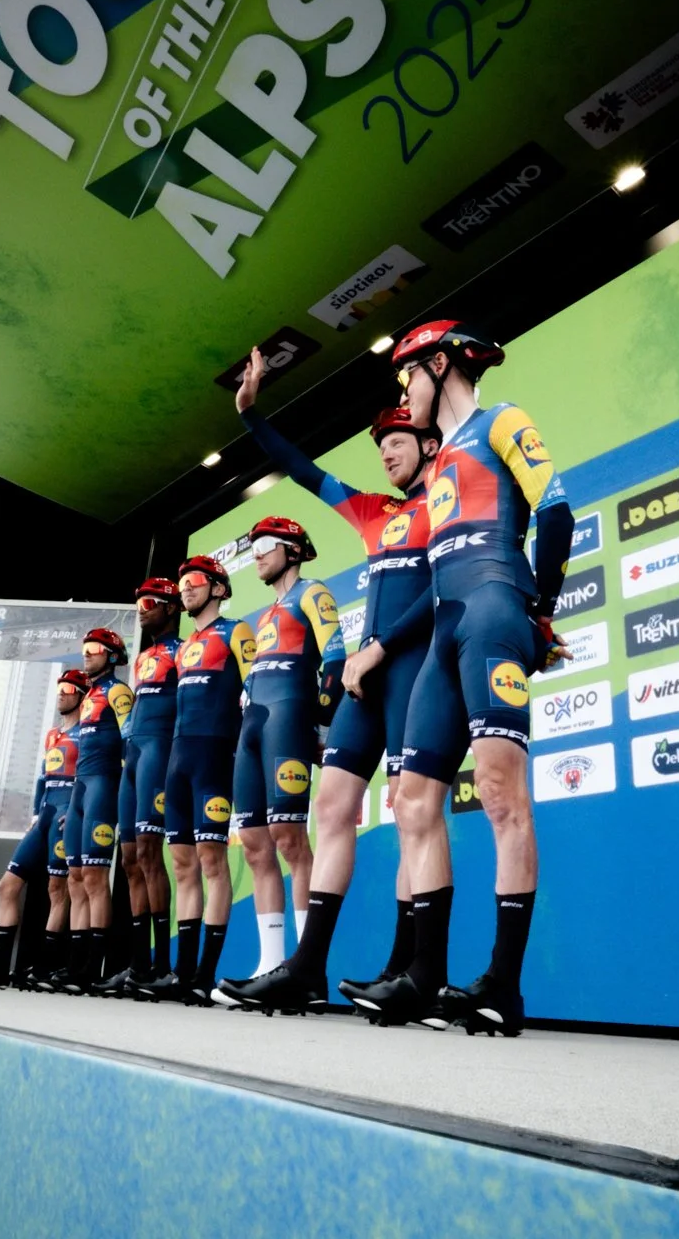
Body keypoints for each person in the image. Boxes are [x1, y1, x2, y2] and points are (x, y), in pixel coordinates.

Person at [356, 321, 573, 1037]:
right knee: (413, 801)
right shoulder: (440, 456)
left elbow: (556, 511)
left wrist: (538, 609)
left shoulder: (501, 420)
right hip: (445, 628)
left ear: (441, 365)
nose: (404, 391)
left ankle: (502, 986)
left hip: (491, 612)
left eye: (408, 375)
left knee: (503, 797)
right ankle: (424, 976)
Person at [218, 360, 440, 1013]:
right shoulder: (373, 511)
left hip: (411, 673)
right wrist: (251, 415)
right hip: (364, 685)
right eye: (380, 446)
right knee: (333, 807)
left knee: (412, 816)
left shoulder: (448, 500)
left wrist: (380, 647)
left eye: (396, 441)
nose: (386, 454)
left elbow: (443, 588)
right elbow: (304, 470)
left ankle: (403, 970)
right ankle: (306, 969)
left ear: (429, 443)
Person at [210, 513, 344, 1004]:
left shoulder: (312, 592)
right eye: (254, 547)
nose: (257, 554)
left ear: (293, 549)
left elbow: (336, 658)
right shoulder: (264, 616)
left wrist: (323, 725)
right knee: (253, 844)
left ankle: (308, 971)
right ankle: (270, 965)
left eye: (266, 544)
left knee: (289, 837)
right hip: (254, 726)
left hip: (290, 717)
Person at [134, 556, 255, 1004]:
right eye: (182, 582)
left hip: (215, 756)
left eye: (195, 580)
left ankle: (204, 975)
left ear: (219, 588)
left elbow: (255, 690)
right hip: (178, 760)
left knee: (211, 862)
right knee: (182, 865)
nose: (185, 587)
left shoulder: (236, 630)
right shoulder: (183, 647)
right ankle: (182, 974)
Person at [0, 668, 85, 989]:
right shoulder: (52, 734)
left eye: (68, 689)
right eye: (59, 689)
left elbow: (91, 775)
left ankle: (44, 969)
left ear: (81, 695)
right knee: (7, 886)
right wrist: (34, 813)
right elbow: (42, 778)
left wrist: (77, 809)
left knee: (57, 890)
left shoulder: (87, 731)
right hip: (45, 815)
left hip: (65, 813)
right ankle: (0, 967)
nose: (61, 694)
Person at [97, 578, 183, 995]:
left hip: (160, 751)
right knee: (129, 859)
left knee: (149, 852)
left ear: (171, 607)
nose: (142, 610)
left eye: (150, 603)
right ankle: (138, 965)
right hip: (133, 755)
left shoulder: (183, 649)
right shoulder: (145, 656)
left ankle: (162, 965)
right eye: (139, 605)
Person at [57, 628, 134, 993]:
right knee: (74, 877)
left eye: (94, 648)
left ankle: (93, 968)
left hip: (104, 786)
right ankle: (75, 965)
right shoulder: (88, 697)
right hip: (80, 790)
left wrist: (127, 789)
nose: (86, 653)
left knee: (94, 876)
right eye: (84, 648)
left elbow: (130, 741)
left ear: (113, 656)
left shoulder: (118, 691)